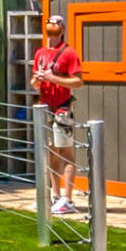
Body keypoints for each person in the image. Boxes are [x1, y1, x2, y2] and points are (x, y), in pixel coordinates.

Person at [30, 14, 83, 216]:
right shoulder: (40, 53)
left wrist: (53, 77)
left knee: (66, 151)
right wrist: (38, 80)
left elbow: (78, 82)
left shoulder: (69, 53)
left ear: (62, 29)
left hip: (62, 108)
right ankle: (54, 195)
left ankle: (67, 199)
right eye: (49, 22)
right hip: (45, 106)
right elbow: (34, 84)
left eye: (56, 22)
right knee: (51, 151)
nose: (52, 25)